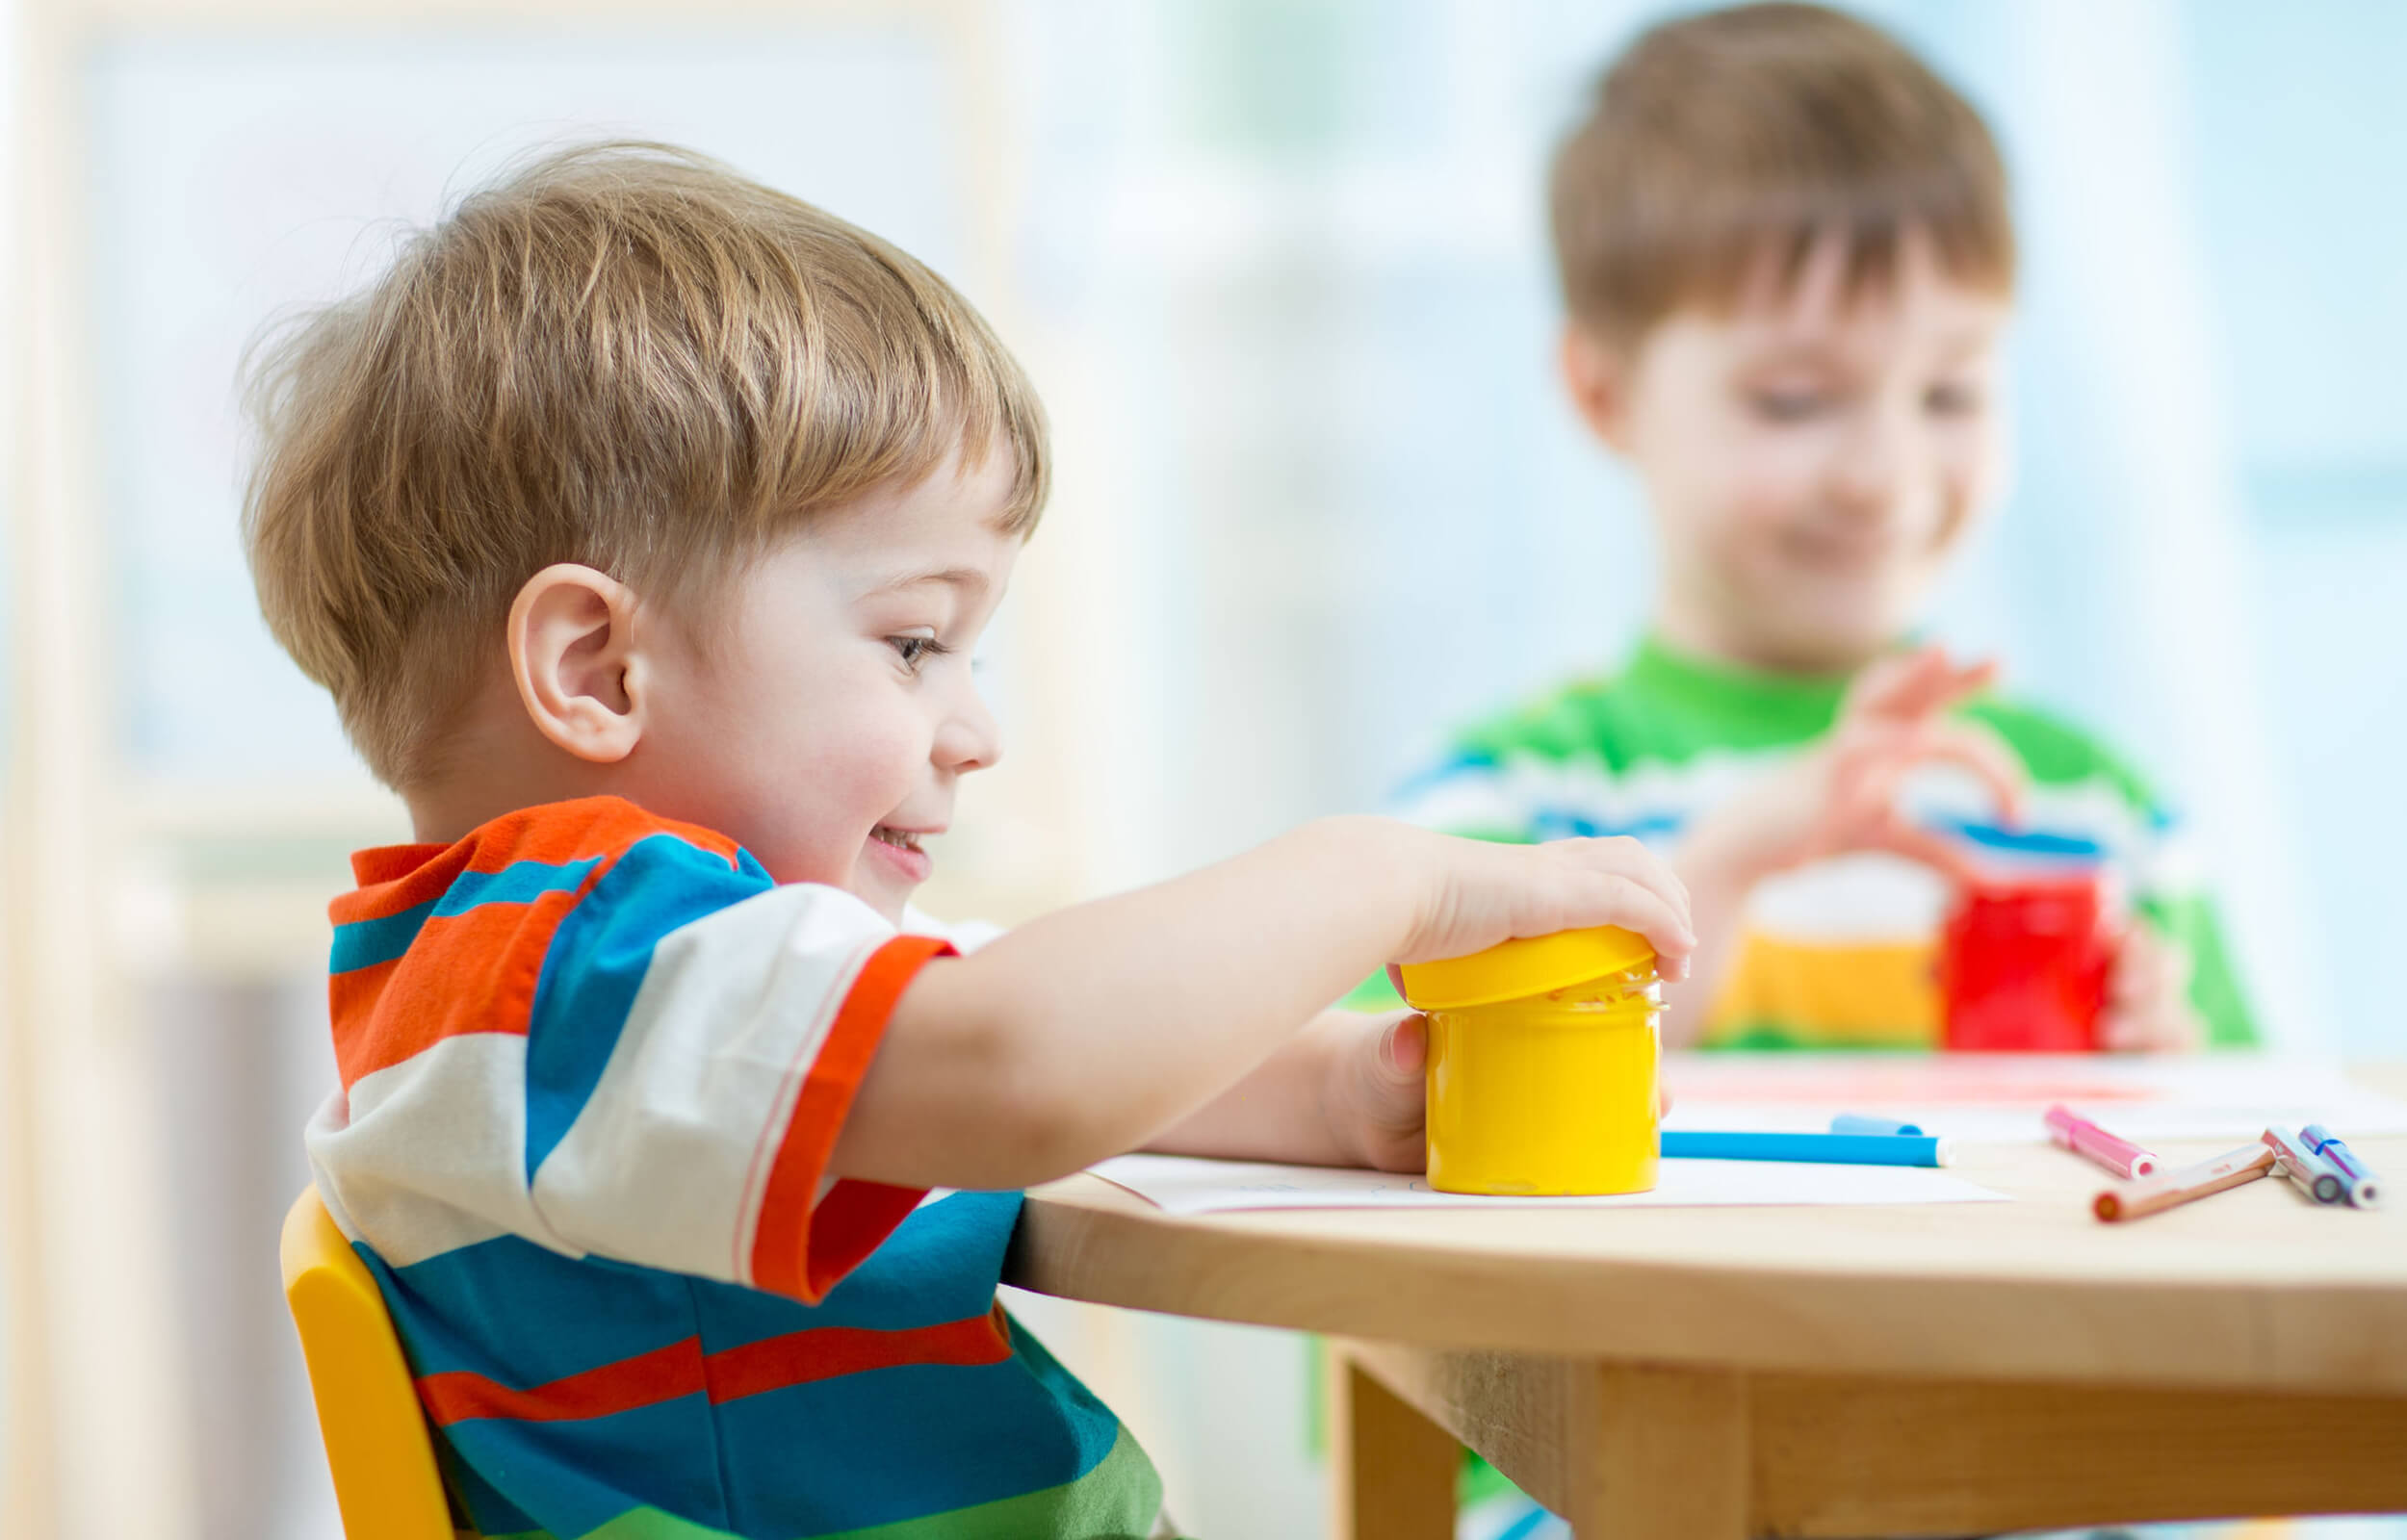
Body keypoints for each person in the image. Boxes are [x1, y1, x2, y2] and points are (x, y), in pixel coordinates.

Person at [245, 142, 1694, 1539]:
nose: (974, 732)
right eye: (916, 641)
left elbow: (986, 1021)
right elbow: (1012, 1062)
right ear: (598, 671)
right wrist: (1390, 876)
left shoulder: (604, 979)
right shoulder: (554, 970)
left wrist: (1339, 1094)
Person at [1384, 2, 2254, 1057]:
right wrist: (1714, 873)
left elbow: (2254, 1165)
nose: (1883, 477)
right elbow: (1394, 1107)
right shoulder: (1503, 813)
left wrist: (2169, 1071)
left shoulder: (2096, 815)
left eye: (1949, 392)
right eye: (1794, 399)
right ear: (1604, 395)